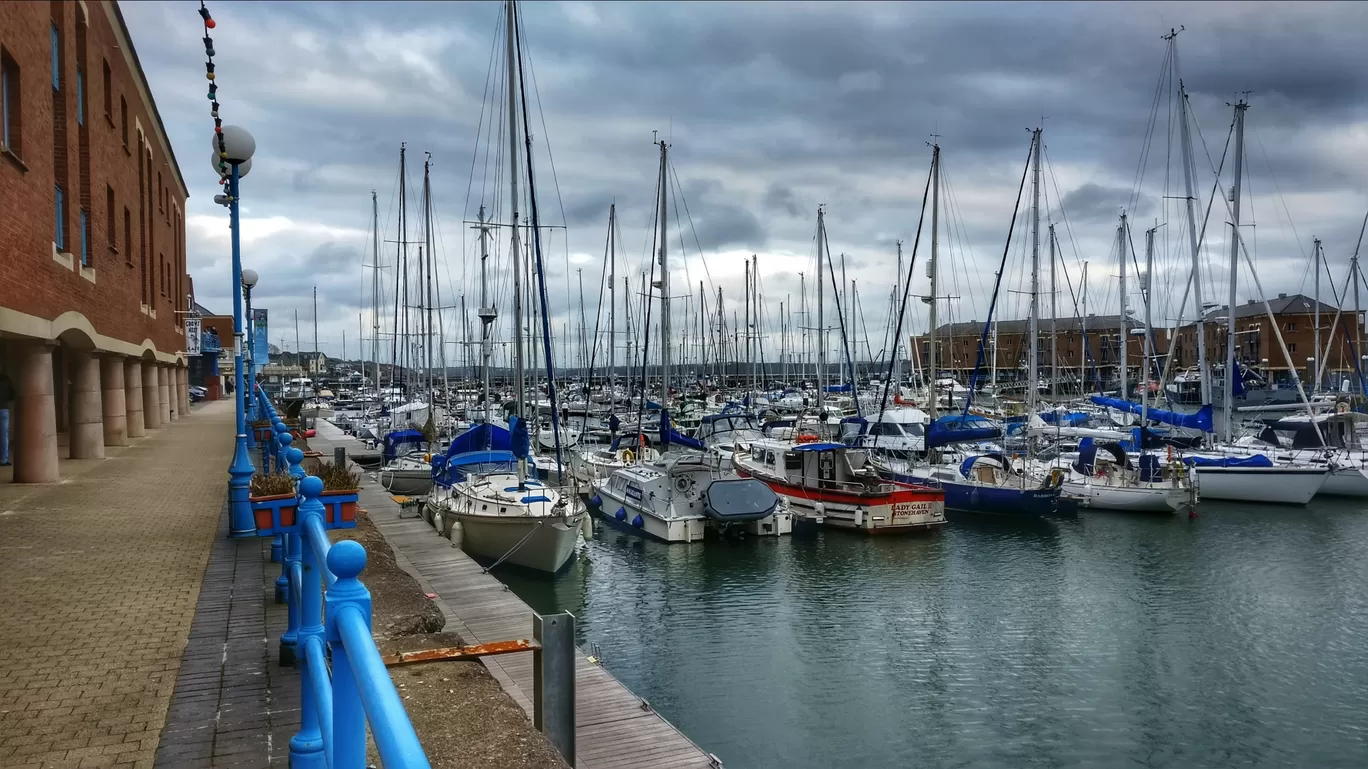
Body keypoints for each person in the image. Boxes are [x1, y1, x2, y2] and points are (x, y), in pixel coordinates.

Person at [0, 365, 14, 467]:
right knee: (4, 435)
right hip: (3, 408)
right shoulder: (6, 380)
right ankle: (3, 459)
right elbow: (13, 394)